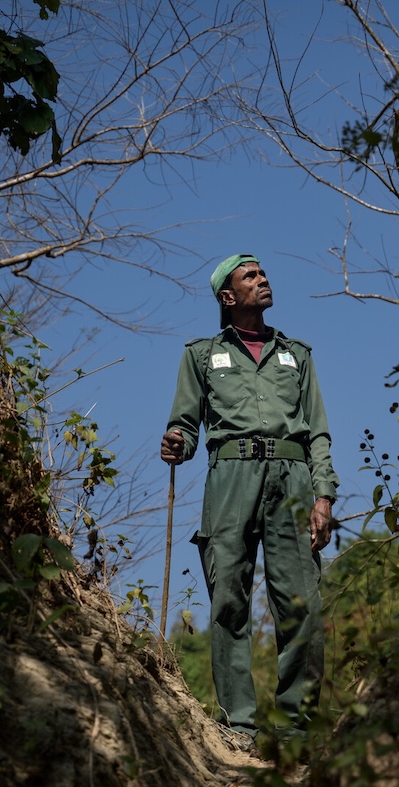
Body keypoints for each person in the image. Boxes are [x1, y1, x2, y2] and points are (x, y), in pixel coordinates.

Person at [160, 253, 338, 739]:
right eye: (250, 276)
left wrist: (323, 496)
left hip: (293, 478)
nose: (263, 280)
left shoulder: (296, 354)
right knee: (229, 600)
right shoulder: (200, 355)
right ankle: (238, 722)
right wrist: (176, 441)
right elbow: (186, 425)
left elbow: (317, 432)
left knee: (301, 601)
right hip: (231, 477)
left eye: (263, 274)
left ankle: (294, 723)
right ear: (228, 296)